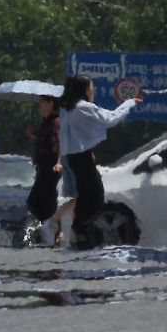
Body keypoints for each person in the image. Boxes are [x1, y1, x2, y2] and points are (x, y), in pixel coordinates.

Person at [59, 74, 143, 249]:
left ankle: (80, 232)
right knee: (96, 195)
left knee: (85, 194)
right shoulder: (83, 107)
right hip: (80, 157)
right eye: (91, 86)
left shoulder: (69, 108)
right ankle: (80, 227)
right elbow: (110, 119)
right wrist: (129, 103)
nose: (93, 89)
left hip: (76, 156)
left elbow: (79, 132)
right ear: (83, 89)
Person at [25, 95, 61, 245]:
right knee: (38, 202)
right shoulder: (46, 123)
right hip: (43, 166)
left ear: (50, 103)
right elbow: (44, 142)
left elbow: (59, 144)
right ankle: (47, 231)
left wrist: (59, 161)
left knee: (43, 201)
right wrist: (34, 135)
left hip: (50, 166)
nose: (39, 106)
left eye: (42, 102)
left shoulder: (56, 122)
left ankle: (53, 232)